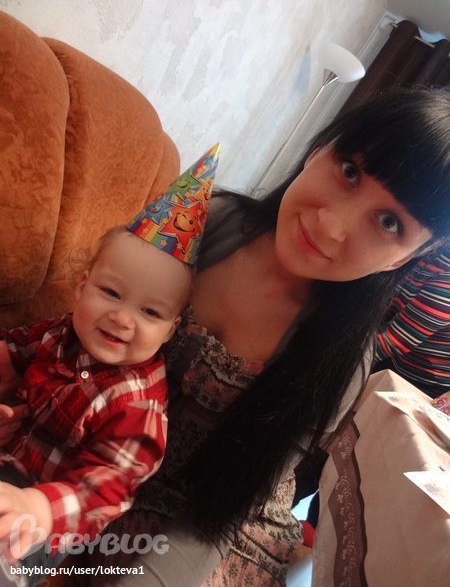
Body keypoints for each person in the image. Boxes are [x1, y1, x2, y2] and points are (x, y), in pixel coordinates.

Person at [4, 88, 450, 587]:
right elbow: (79, 330)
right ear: (319, 149)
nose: (331, 225)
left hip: (200, 521)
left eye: (389, 223)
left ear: (407, 257)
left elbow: (219, 515)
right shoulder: (200, 225)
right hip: (83, 459)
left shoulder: (340, 363)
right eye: (349, 170)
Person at [0, 145, 219, 572]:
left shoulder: (139, 406)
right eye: (111, 293)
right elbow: (16, 346)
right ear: (83, 285)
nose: (122, 317)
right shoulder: (61, 331)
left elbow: (107, 488)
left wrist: (39, 507)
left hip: (50, 515)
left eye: (150, 312)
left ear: (170, 330)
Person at [374, 246, 450, 398]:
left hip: (424, 382)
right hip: (399, 359)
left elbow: (391, 343)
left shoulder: (446, 282)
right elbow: (388, 304)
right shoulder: (430, 252)